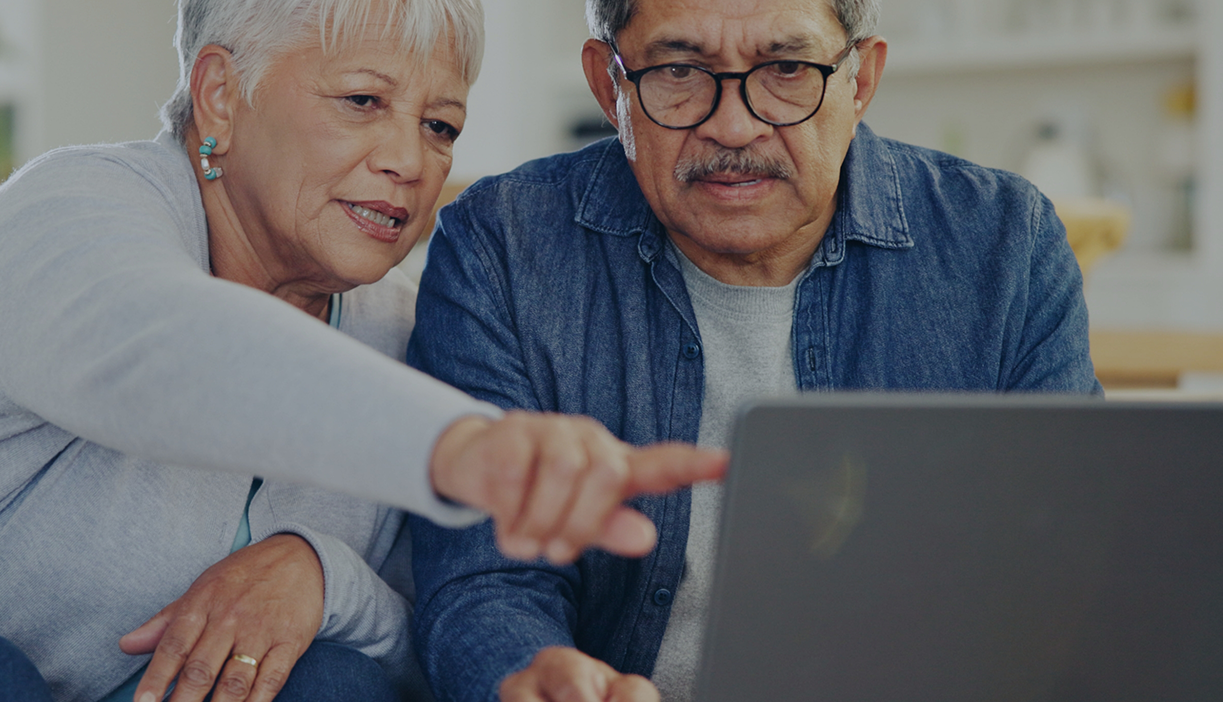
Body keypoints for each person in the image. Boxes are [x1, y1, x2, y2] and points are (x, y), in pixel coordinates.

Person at [0, 1, 726, 701]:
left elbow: (417, 633)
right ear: (220, 94)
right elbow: (159, 352)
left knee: (336, 684)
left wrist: (318, 574)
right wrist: (464, 447)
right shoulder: (73, 214)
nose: (408, 159)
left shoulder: (394, 331)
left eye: (440, 126)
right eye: (362, 102)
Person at [406, 0, 1103, 700]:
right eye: (679, 69)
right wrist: (531, 673)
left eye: (787, 68)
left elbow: (1065, 569)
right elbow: (482, 577)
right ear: (608, 85)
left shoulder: (1006, 246)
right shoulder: (500, 247)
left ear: (859, 81)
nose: (734, 125)